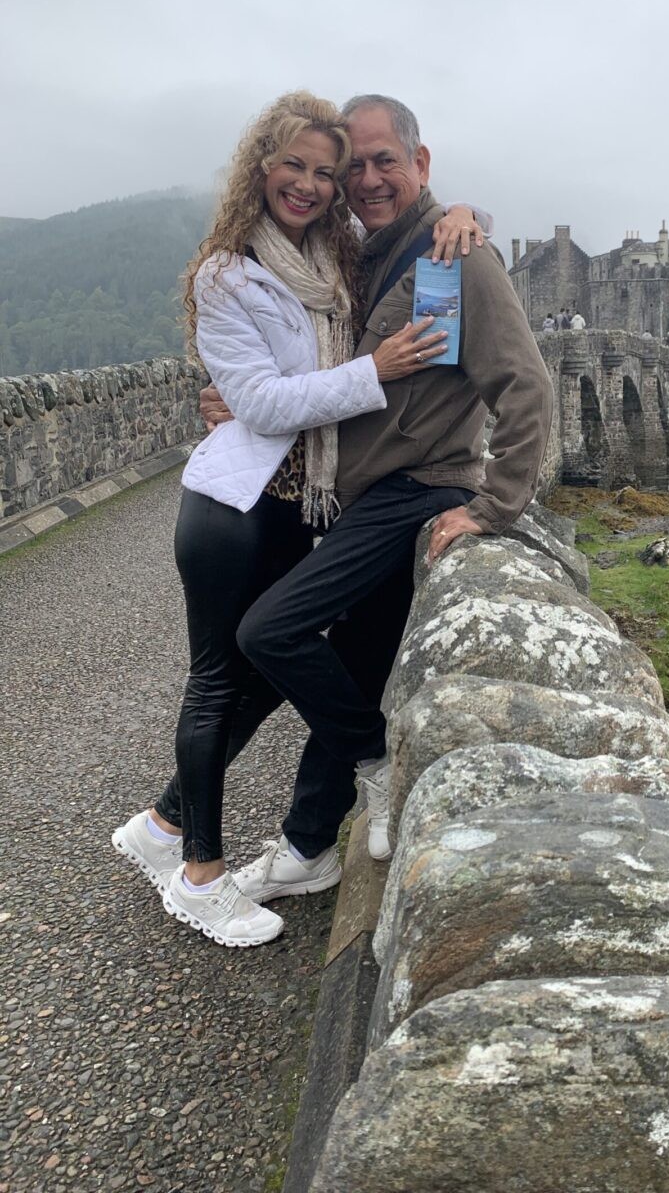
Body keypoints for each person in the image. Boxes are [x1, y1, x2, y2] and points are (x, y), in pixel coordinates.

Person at [111, 92, 484, 948]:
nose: (314, 185)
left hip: (300, 505)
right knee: (216, 682)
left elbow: (417, 231)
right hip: (232, 509)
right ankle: (199, 875)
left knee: (266, 672)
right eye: (297, 167)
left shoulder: (332, 260)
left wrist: (465, 213)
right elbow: (260, 400)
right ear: (261, 169)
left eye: (328, 170)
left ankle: (164, 824)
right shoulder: (226, 274)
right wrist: (376, 370)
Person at [223, 94, 553, 903]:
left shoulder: (461, 257)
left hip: (416, 488)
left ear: (421, 164)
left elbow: (527, 387)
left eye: (384, 161)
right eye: (354, 166)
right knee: (360, 660)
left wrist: (494, 508)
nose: (368, 180)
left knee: (271, 630)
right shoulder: (367, 259)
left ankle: (372, 763)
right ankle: (308, 846)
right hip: (362, 495)